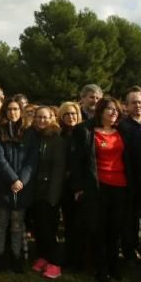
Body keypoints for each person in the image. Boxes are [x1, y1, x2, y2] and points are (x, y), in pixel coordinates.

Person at [73, 97, 135, 282]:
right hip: (98, 186)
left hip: (121, 186)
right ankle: (101, 268)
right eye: (109, 109)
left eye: (116, 110)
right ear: (100, 112)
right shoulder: (85, 131)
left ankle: (114, 264)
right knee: (99, 228)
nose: (113, 112)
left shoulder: (123, 132)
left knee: (115, 228)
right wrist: (78, 187)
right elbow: (77, 162)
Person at [0, 99, 36, 273]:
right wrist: (12, 179)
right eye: (9, 109)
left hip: (22, 187)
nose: (13, 112)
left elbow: (32, 160)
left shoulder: (30, 133)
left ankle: (16, 256)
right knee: (1, 222)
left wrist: (21, 180)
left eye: (16, 109)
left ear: (21, 111)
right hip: (3, 184)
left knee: (17, 223)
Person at [28, 106, 66, 279]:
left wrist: (53, 196)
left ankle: (55, 263)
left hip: (49, 192)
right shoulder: (36, 136)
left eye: (45, 117)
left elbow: (58, 170)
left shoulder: (56, 139)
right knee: (39, 228)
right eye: (39, 117)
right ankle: (43, 257)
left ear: (52, 118)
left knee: (48, 230)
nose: (41, 120)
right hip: (36, 191)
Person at [118, 87, 141, 263]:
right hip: (129, 179)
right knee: (130, 220)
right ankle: (129, 251)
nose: (137, 106)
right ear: (126, 106)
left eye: (140, 102)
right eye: (133, 103)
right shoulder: (122, 126)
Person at [58, 101, 83, 270]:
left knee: (80, 224)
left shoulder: (84, 133)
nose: (70, 117)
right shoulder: (59, 135)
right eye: (66, 114)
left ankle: (80, 258)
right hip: (64, 186)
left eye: (73, 113)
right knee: (69, 223)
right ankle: (70, 257)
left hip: (81, 185)